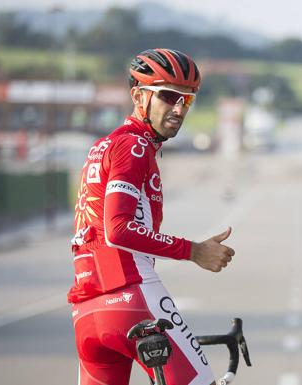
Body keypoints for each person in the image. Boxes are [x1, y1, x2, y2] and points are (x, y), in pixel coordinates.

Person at [67, 48, 235, 385]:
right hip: (131, 295)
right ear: (138, 96)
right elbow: (117, 229)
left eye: (186, 101)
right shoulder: (134, 146)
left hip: (87, 312)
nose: (178, 108)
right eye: (169, 96)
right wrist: (194, 250)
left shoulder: (105, 145)